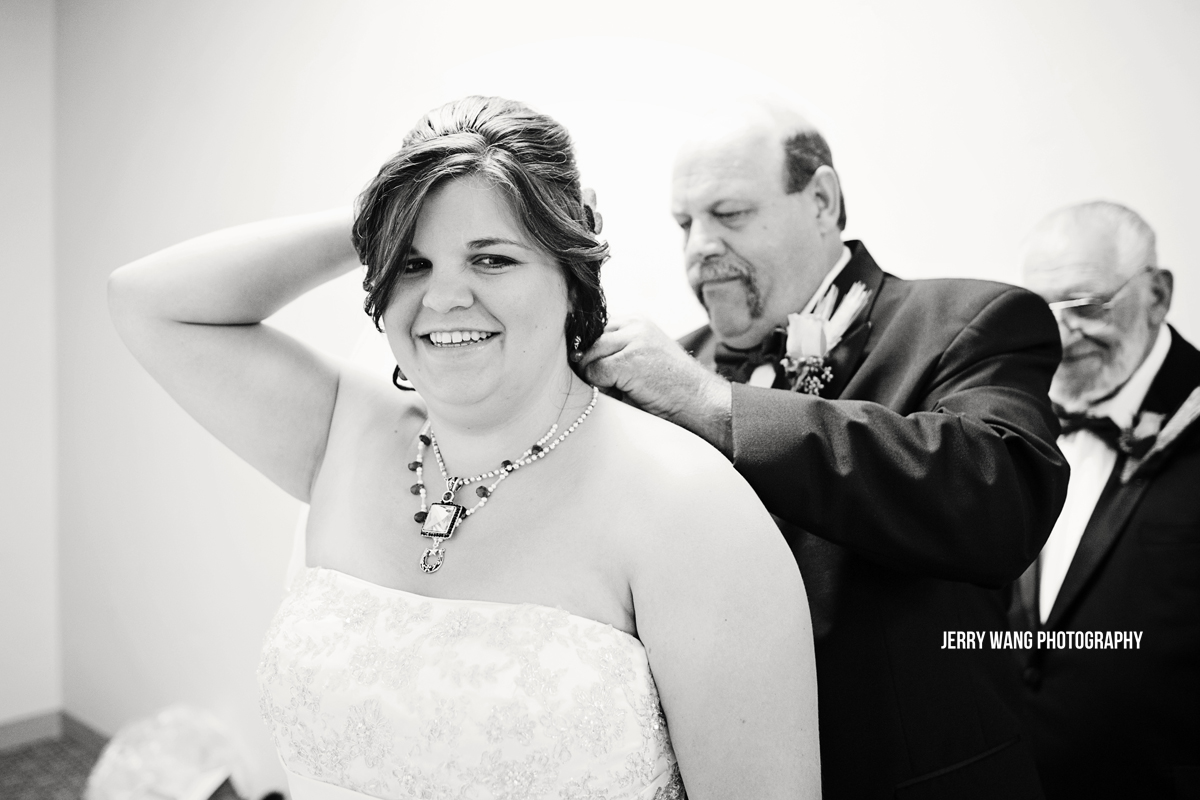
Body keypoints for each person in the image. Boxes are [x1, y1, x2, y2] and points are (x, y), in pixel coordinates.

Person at [107, 96, 820, 799]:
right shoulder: (341, 428)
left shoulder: (689, 507)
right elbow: (147, 302)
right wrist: (383, 213)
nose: (445, 296)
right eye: (411, 264)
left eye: (491, 258)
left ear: (571, 277)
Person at [581, 97, 1069, 798]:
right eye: (686, 224)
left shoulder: (971, 321)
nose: (699, 248)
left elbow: (999, 500)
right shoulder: (659, 377)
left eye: (731, 214)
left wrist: (716, 406)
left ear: (820, 199)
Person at [1010, 201, 1200, 798]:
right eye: (1041, 311)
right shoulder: (1015, 425)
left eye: (1088, 306)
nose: (1061, 337)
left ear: (1158, 295)